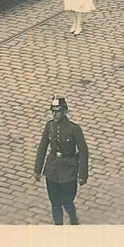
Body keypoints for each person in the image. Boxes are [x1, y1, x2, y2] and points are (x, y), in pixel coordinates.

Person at [33, 96, 89, 225]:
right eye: (53, 111)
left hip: (68, 170)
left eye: (58, 111)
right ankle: (58, 227)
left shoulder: (74, 129)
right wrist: (38, 170)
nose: (55, 114)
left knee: (67, 200)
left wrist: (82, 175)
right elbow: (42, 147)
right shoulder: (49, 126)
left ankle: (73, 218)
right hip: (52, 170)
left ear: (65, 111)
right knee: (54, 201)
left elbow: (83, 151)